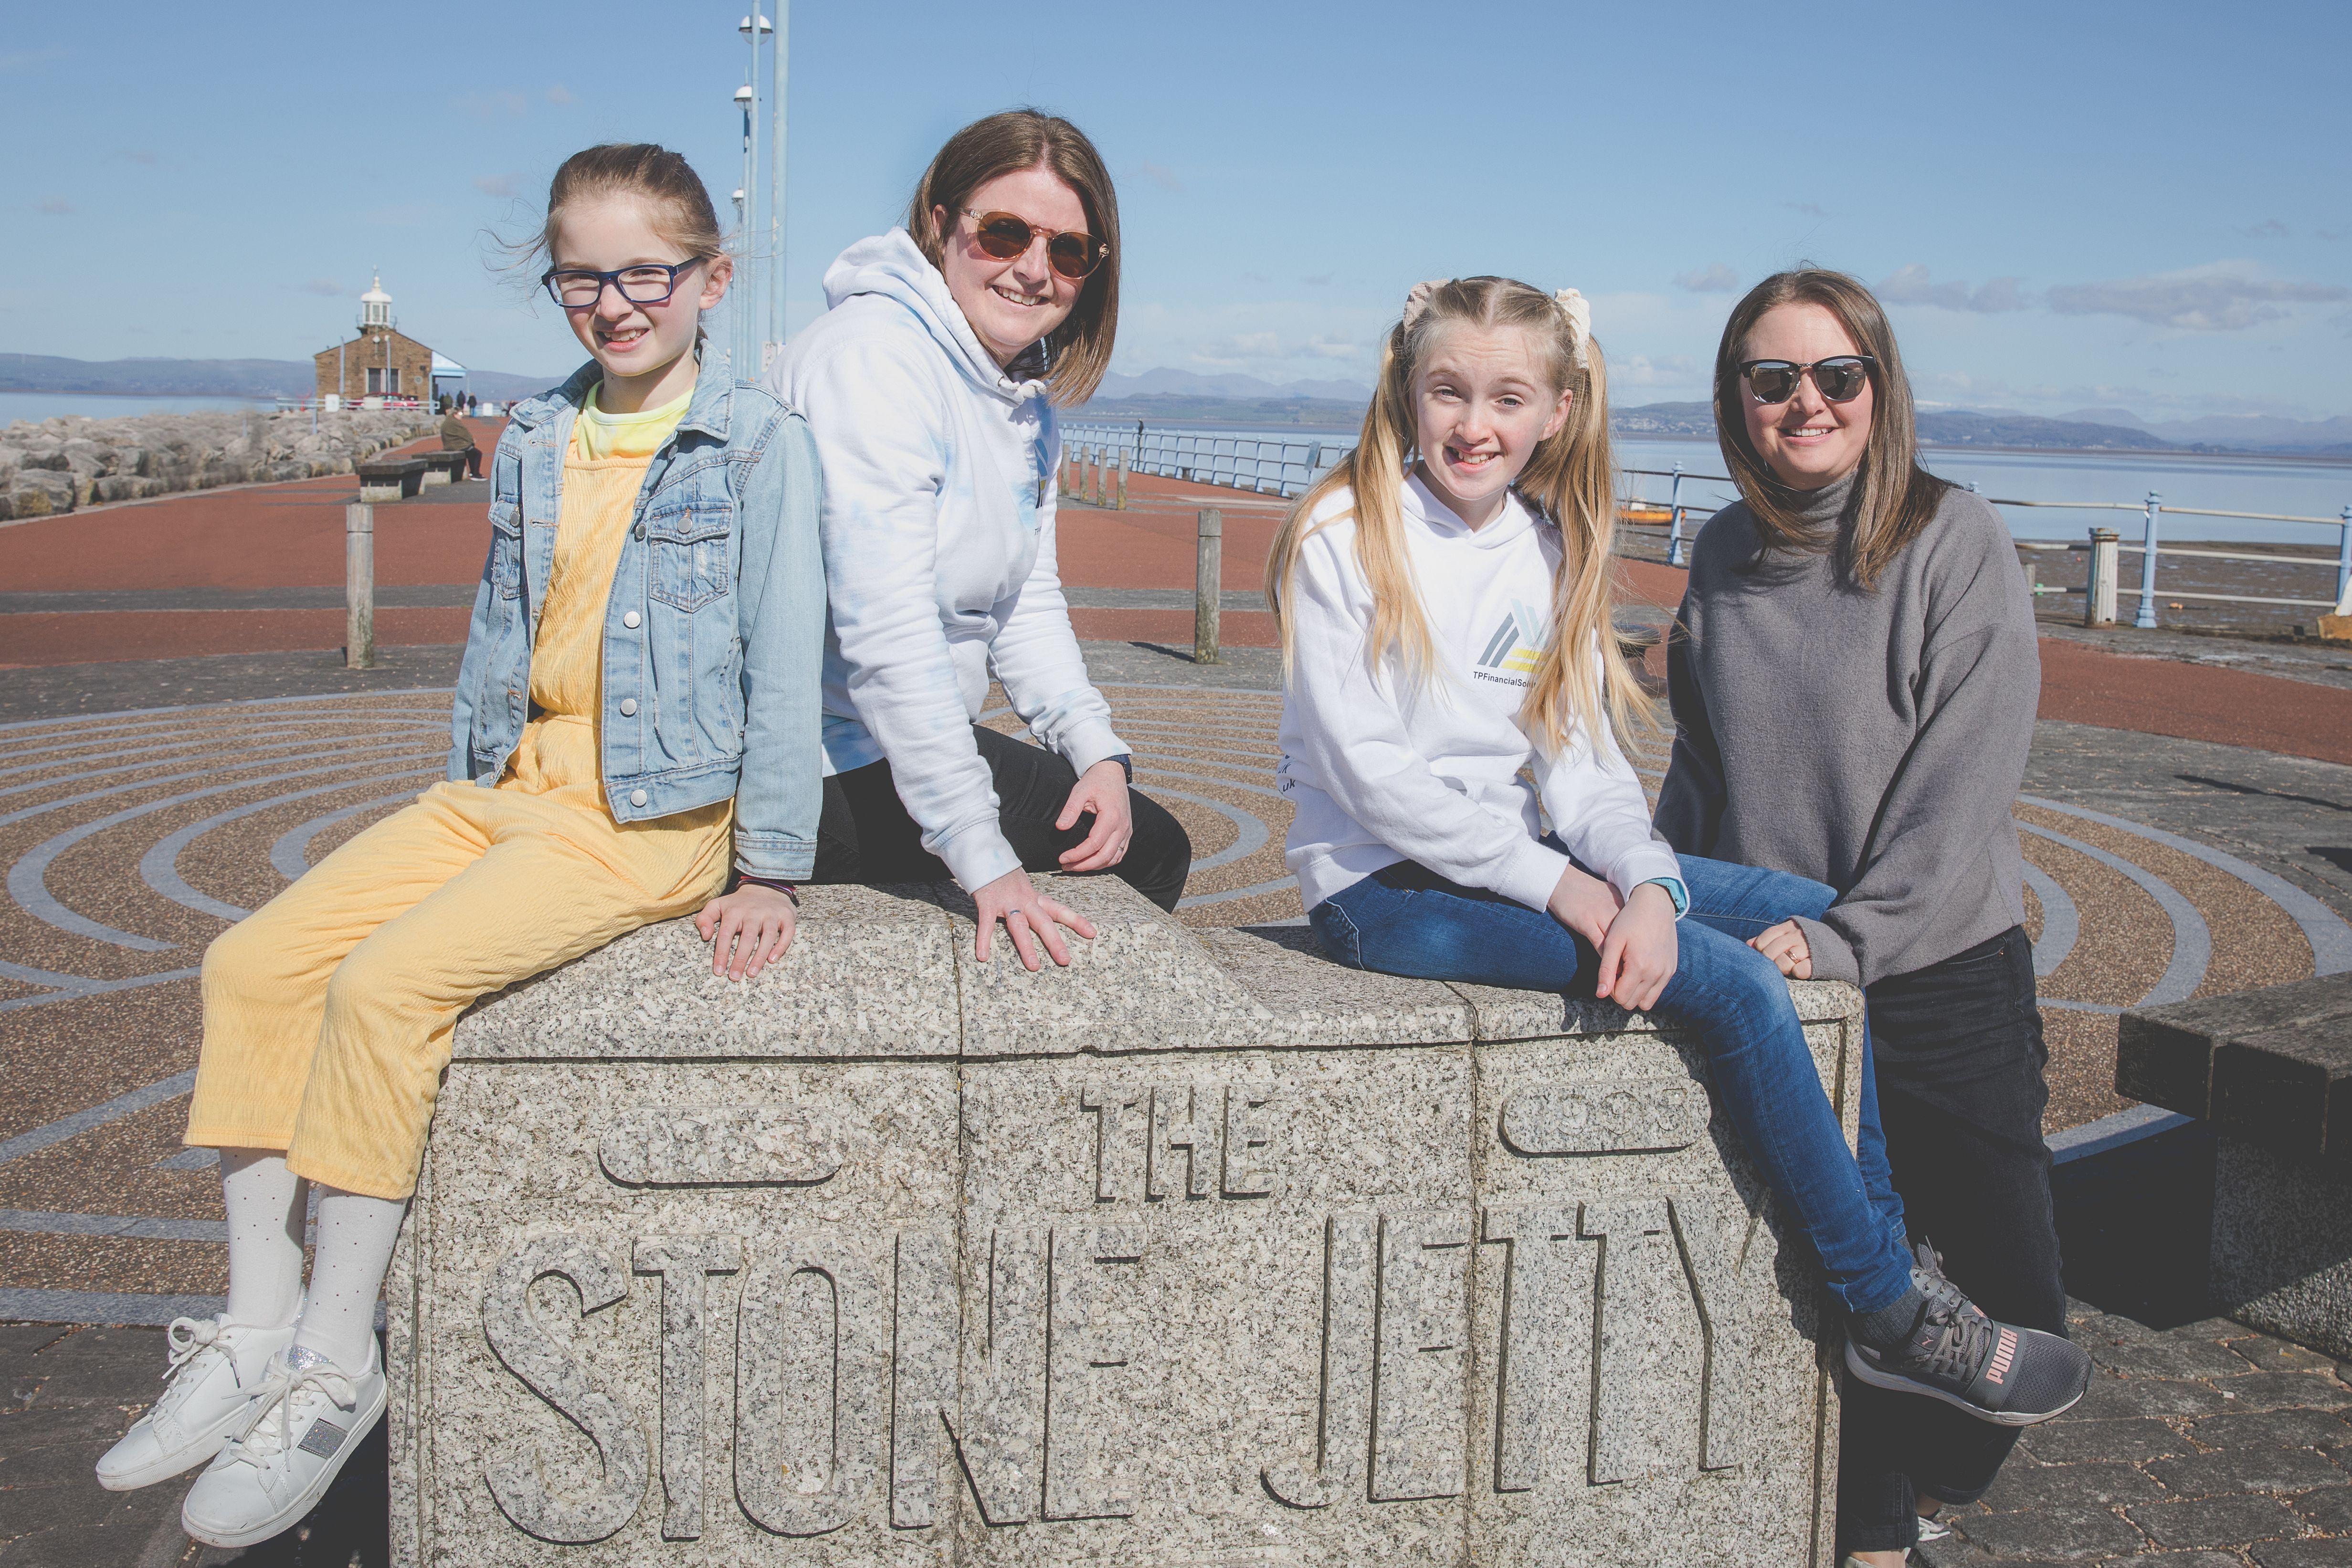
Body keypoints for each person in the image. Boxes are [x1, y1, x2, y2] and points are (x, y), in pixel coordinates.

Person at [94, 143, 824, 1550]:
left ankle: (334, 1361)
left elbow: (784, 659)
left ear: (711, 280)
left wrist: (773, 868)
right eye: (581, 278)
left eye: (646, 273)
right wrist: (466, 795)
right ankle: (251, 1333)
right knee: (253, 965)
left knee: (385, 988)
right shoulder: (538, 433)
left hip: (646, 816)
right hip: (505, 786)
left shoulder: (755, 444)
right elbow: (504, 630)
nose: (614, 303)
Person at [1267, 274, 2090, 1480]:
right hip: (1386, 891)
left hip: (1517, 868)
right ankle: (1883, 1304)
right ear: (1406, 391)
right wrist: (1568, 890)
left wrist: (1645, 882)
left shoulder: (1542, 541)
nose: (1474, 424)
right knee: (1737, 986)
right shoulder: (1345, 529)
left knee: (1812, 917)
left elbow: (1580, 760)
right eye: (1448, 391)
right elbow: (1372, 775)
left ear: (1556, 410)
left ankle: (1888, 1263)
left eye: (1507, 398)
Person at [1655, 267, 2080, 1567]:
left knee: (2011, 1305)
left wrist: (1848, 935)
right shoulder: (1720, 553)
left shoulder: (1954, 541)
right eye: (1772, 377)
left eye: (1835, 374)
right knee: (1845, 1284)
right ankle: (1873, 1539)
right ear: (1733, 398)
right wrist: (1661, 896)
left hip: (1937, 973)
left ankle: (1926, 1487)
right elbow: (1698, 772)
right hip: (1781, 980)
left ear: (1877, 388)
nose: (1806, 401)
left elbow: (1961, 783)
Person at [770, 108, 1191, 969]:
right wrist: (979, 849)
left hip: (887, 743)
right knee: (1146, 857)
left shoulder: (1019, 399)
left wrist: (1096, 753)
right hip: (810, 761)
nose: (1034, 269)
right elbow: (888, 633)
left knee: (1133, 832)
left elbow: (1024, 600)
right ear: (940, 225)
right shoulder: (874, 361)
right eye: (1004, 232)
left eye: (1068, 251)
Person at [437, 402, 482, 479]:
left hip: (450, 445)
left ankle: (473, 473)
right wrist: (472, 441)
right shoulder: (455, 422)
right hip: (456, 446)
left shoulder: (449, 420)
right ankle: (475, 474)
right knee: (477, 453)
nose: (462, 416)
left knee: (472, 452)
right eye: (460, 414)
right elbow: (465, 434)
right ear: (455, 414)